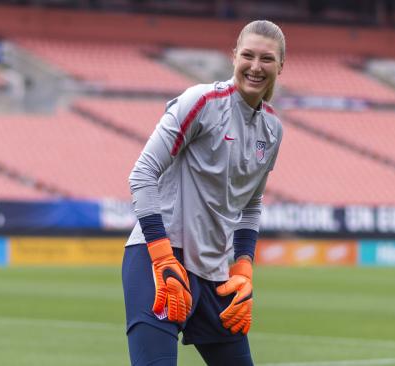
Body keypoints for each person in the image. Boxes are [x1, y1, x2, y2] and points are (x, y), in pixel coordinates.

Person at [122, 19, 285, 366]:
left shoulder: (272, 128)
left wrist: (243, 266)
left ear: (280, 66)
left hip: (215, 273)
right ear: (234, 57)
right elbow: (142, 174)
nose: (256, 67)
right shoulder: (202, 101)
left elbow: (252, 205)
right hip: (160, 261)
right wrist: (163, 257)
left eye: (267, 59)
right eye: (248, 55)